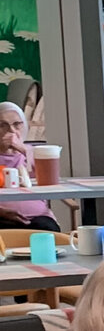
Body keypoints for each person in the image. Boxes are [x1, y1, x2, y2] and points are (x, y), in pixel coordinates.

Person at [0, 98, 59, 232]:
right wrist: (2, 212)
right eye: (2, 125)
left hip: (38, 216)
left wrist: (23, 149)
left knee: (47, 228)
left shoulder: (36, 154)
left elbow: (51, 181)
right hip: (3, 217)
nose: (11, 130)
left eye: (17, 124)